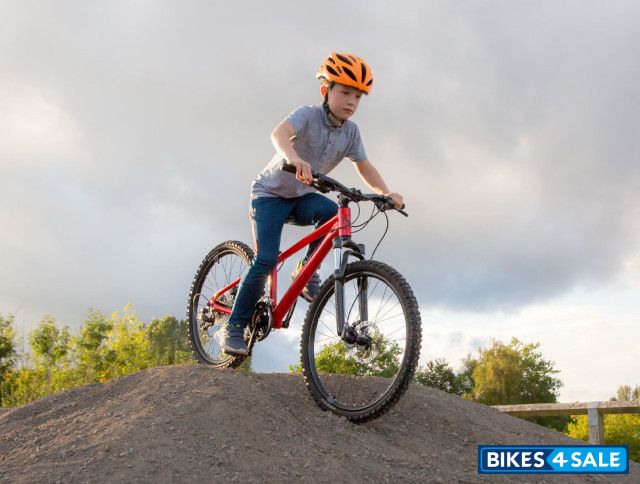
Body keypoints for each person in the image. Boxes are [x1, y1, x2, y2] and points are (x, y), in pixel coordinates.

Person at [215, 52, 404, 356]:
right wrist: (293, 158)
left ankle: (304, 270)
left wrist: (386, 192)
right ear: (325, 90)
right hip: (269, 196)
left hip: (300, 198)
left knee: (331, 212)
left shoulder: (352, 133)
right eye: (345, 92)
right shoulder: (307, 115)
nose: (351, 101)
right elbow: (279, 133)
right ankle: (234, 327)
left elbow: (364, 165)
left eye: (358, 96)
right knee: (266, 260)